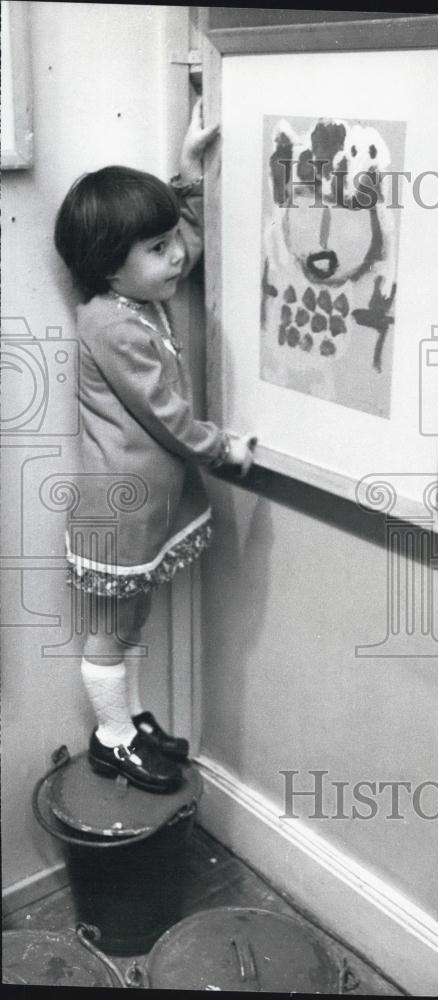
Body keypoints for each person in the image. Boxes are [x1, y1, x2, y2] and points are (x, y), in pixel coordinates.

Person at [54, 102, 255, 794]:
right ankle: (111, 738)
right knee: (110, 629)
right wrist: (221, 448)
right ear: (109, 266)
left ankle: (132, 716)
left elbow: (188, 244)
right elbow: (166, 414)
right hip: (118, 511)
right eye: (158, 248)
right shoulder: (111, 324)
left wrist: (190, 170)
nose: (178, 257)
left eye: (172, 241)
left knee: (132, 618)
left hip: (146, 505)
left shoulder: (140, 298)